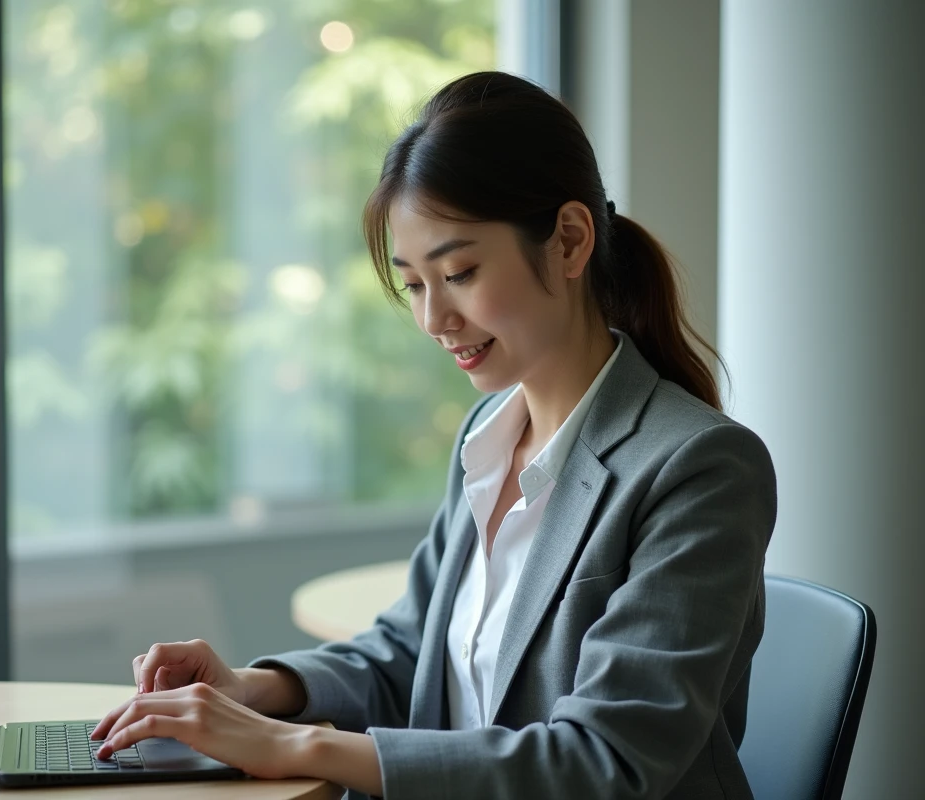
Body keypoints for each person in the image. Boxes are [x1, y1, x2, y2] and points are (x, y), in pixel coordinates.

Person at [90, 70, 777, 800]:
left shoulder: (698, 467)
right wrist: (256, 690)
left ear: (570, 241)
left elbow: (605, 760)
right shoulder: (487, 433)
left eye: (460, 272)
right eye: (414, 283)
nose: (432, 319)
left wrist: (297, 745)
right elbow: (410, 652)